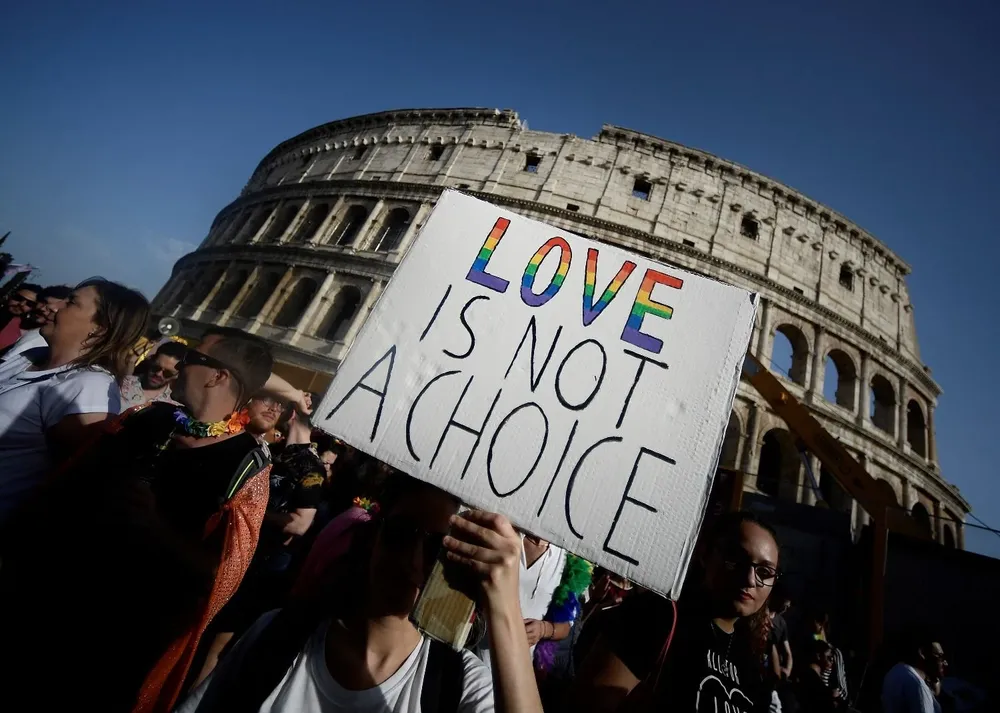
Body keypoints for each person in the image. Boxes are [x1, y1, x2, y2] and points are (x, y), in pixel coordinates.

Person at [0, 326, 275, 713]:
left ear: (218, 376)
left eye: (191, 359)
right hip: (45, 600)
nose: (178, 366)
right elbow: (64, 488)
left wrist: (155, 527)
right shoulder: (145, 417)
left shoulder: (247, 466)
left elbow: (220, 575)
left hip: (122, 639)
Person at [177, 473, 545, 713]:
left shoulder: (459, 683)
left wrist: (504, 606)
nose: (414, 561)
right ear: (373, 536)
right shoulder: (279, 635)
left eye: (438, 546)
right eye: (400, 534)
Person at [570, 511, 781, 713]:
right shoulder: (654, 617)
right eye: (736, 559)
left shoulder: (751, 662)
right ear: (705, 554)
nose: (750, 579)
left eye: (765, 572)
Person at [194, 394, 326, 684]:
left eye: (284, 406)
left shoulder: (310, 466)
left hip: (258, 567)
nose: (277, 409)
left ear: (292, 415)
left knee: (218, 644)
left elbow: (301, 523)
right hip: (229, 552)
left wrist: (251, 512)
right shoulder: (272, 450)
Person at [0, 278, 149, 527]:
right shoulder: (30, 353)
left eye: (71, 302)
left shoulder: (90, 386)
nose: (54, 306)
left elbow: (81, 479)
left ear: (100, 328)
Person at [0, 284, 72, 361]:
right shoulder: (9, 319)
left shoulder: (48, 343)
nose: (43, 308)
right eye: (43, 302)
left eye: (52, 308)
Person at [882, 629, 947, 713]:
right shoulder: (917, 685)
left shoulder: (893, 673)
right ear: (922, 653)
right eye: (940, 656)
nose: (945, 663)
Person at [120, 340, 188, 410]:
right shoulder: (122, 382)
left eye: (168, 373)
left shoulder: (173, 407)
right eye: (156, 367)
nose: (158, 374)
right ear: (152, 360)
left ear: (177, 375)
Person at [796, 640, 842, 713]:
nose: (831, 660)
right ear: (819, 656)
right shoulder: (810, 678)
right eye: (829, 657)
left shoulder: (813, 677)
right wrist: (831, 694)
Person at [0, 282, 41, 349]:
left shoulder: (25, 331)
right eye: (18, 298)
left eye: (29, 304)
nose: (21, 304)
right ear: (10, 296)